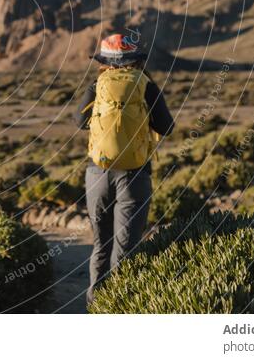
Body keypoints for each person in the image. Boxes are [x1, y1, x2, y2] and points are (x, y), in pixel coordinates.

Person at [74, 33, 174, 306]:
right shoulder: (147, 86)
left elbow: (77, 121)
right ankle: (121, 308)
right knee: (126, 248)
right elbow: (167, 127)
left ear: (104, 61)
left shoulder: (97, 85)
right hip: (135, 174)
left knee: (101, 245)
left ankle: (95, 306)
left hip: (98, 172)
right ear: (135, 60)